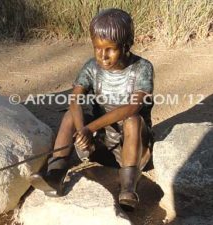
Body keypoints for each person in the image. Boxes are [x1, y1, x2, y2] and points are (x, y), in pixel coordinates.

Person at [29, 8, 154, 211]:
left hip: (134, 148)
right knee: (71, 115)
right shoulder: (91, 67)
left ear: (126, 45)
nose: (103, 56)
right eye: (97, 49)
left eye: (110, 49)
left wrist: (90, 127)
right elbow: (75, 100)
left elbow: (133, 106)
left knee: (133, 119)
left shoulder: (142, 68)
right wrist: (82, 132)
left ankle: (128, 187)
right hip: (101, 145)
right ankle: (56, 174)